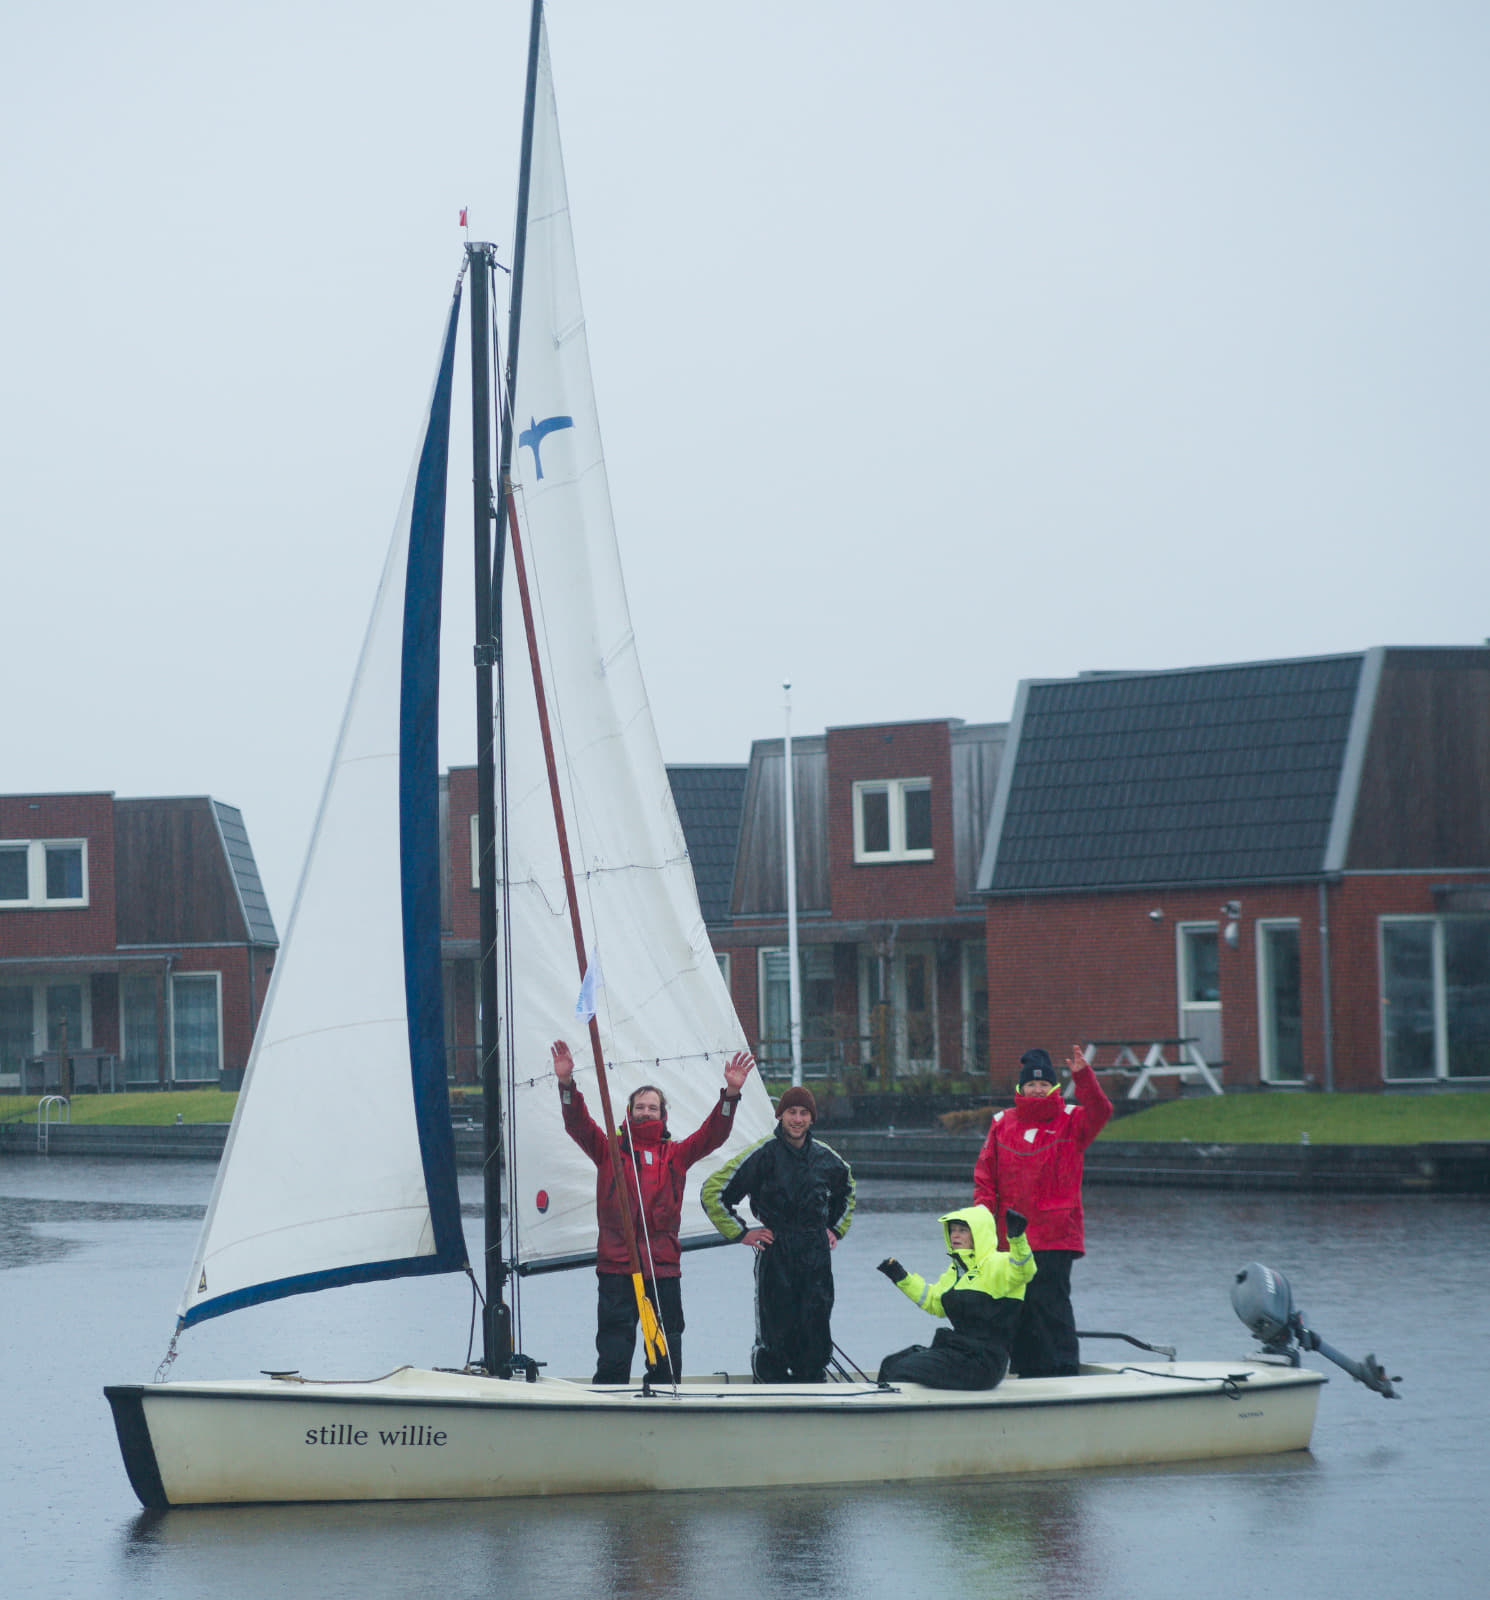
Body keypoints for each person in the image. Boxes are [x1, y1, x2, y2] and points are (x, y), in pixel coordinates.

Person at [553, 1038, 755, 1386]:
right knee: (614, 1353)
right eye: (640, 1107)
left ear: (663, 1115)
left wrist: (731, 1095)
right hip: (617, 1267)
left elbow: (713, 1135)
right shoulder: (608, 1150)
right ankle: (609, 1407)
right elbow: (578, 1124)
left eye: (652, 1107)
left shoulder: (676, 1154)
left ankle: (664, 1406)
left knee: (665, 1357)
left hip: (662, 1269)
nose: (645, 1112)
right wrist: (566, 1084)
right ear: (629, 1112)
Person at [972, 1044, 1111, 1378]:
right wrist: (982, 1225)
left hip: (1055, 1235)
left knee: (1051, 1305)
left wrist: (1083, 1076)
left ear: (1054, 1087)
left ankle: (1062, 1372)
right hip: (1010, 1238)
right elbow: (985, 1178)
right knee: (1015, 1306)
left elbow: (1101, 1110)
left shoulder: (1072, 1120)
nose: (1037, 1089)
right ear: (1020, 1088)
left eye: (1044, 1084)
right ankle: (1025, 1373)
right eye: (1031, 1084)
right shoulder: (1001, 1123)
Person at [701, 1085, 855, 1383]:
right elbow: (713, 1192)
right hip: (777, 1250)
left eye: (804, 1113)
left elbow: (847, 1189)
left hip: (815, 1252)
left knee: (815, 1323)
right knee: (776, 1327)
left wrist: (835, 1228)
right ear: (780, 1115)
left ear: (812, 1118)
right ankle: (769, 1381)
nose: (797, 1119)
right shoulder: (763, 1154)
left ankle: (813, 1382)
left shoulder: (826, 1158)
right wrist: (741, 1233)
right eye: (791, 1112)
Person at [874, 1203, 1036, 1390]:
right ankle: (883, 1406)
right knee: (890, 1364)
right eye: (952, 1230)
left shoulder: (998, 1263)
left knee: (900, 1370)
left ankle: (906, 1407)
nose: (955, 1235)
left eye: (962, 1230)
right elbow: (933, 1302)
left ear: (978, 1234)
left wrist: (1017, 1239)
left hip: (985, 1362)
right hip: (958, 1351)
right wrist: (901, 1277)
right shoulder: (956, 1270)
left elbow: (1024, 1270)